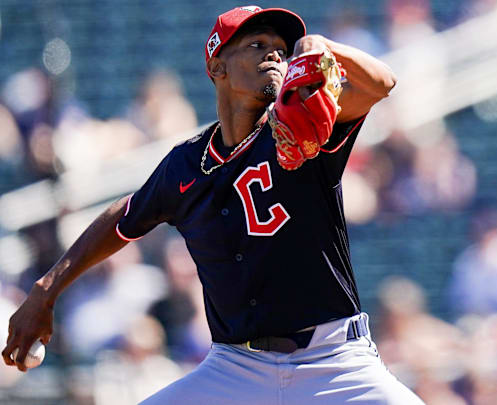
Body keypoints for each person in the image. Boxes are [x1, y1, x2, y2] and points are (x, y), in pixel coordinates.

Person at [3, 6, 425, 405]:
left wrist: (324, 47)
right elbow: (123, 219)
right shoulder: (187, 163)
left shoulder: (302, 129)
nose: (275, 54)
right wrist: (46, 289)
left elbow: (381, 83)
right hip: (236, 367)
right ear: (217, 66)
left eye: (281, 48)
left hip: (334, 362)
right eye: (257, 45)